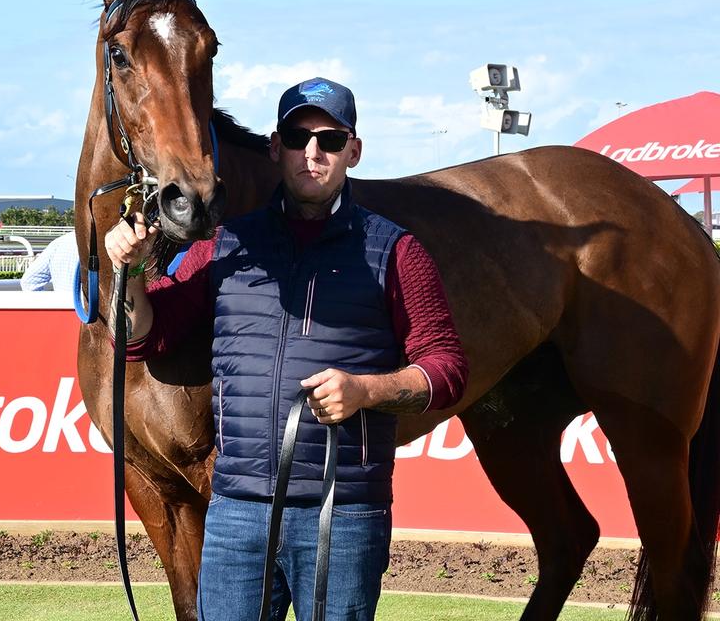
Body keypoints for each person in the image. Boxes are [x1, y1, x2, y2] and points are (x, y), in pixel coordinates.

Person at [105, 77, 468, 621]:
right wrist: (129, 272)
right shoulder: (226, 243)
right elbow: (143, 338)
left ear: (354, 151)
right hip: (236, 514)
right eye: (298, 139)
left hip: (342, 515)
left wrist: (367, 390)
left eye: (330, 139)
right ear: (276, 148)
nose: (312, 154)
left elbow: (447, 368)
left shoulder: (397, 250)